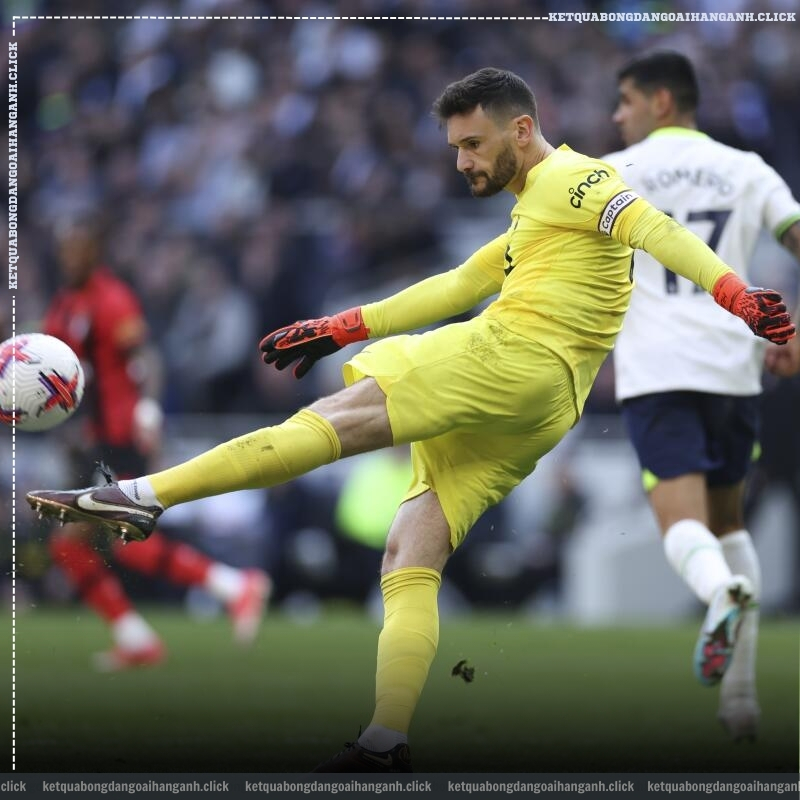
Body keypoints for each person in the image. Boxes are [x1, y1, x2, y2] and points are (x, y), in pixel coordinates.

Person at [27, 69, 794, 770]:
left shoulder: (575, 177)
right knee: (410, 550)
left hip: (510, 356)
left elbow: (654, 229)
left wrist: (736, 296)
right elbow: (460, 281)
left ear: (521, 129)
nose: (461, 161)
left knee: (336, 416)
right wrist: (344, 324)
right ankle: (385, 738)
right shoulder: (539, 209)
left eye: (472, 143)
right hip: (541, 407)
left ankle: (144, 494)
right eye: (454, 146)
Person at [603, 51, 800, 741]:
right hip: (735, 368)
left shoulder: (614, 175)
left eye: (624, 101)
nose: (615, 115)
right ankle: (740, 703)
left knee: (680, 526)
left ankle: (719, 592)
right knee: (730, 524)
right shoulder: (746, 168)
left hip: (659, 369)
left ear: (660, 101)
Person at [40, 219, 271, 671]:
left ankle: (228, 589)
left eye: (77, 248)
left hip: (123, 438)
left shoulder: (112, 300)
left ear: (94, 250)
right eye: (64, 249)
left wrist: (148, 405)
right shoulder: (66, 304)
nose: (69, 257)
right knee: (86, 543)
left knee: (108, 539)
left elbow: (145, 356)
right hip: (92, 442)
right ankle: (168, 620)